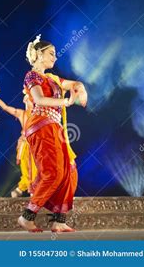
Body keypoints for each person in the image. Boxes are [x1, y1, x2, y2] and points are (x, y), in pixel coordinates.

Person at [17, 34, 87, 233]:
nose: (55, 57)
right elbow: (39, 99)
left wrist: (80, 88)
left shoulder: (53, 78)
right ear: (38, 54)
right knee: (53, 172)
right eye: (51, 53)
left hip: (56, 128)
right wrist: (66, 102)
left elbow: (72, 84)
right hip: (40, 126)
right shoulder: (32, 76)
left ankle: (59, 220)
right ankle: (27, 216)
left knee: (69, 171)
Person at [0, 84, 37, 198]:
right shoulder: (22, 113)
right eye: (26, 100)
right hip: (25, 145)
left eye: (29, 100)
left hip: (37, 145)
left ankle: (31, 191)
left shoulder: (39, 114)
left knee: (37, 169)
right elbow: (6, 107)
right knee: (26, 169)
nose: (27, 102)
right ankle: (22, 189)